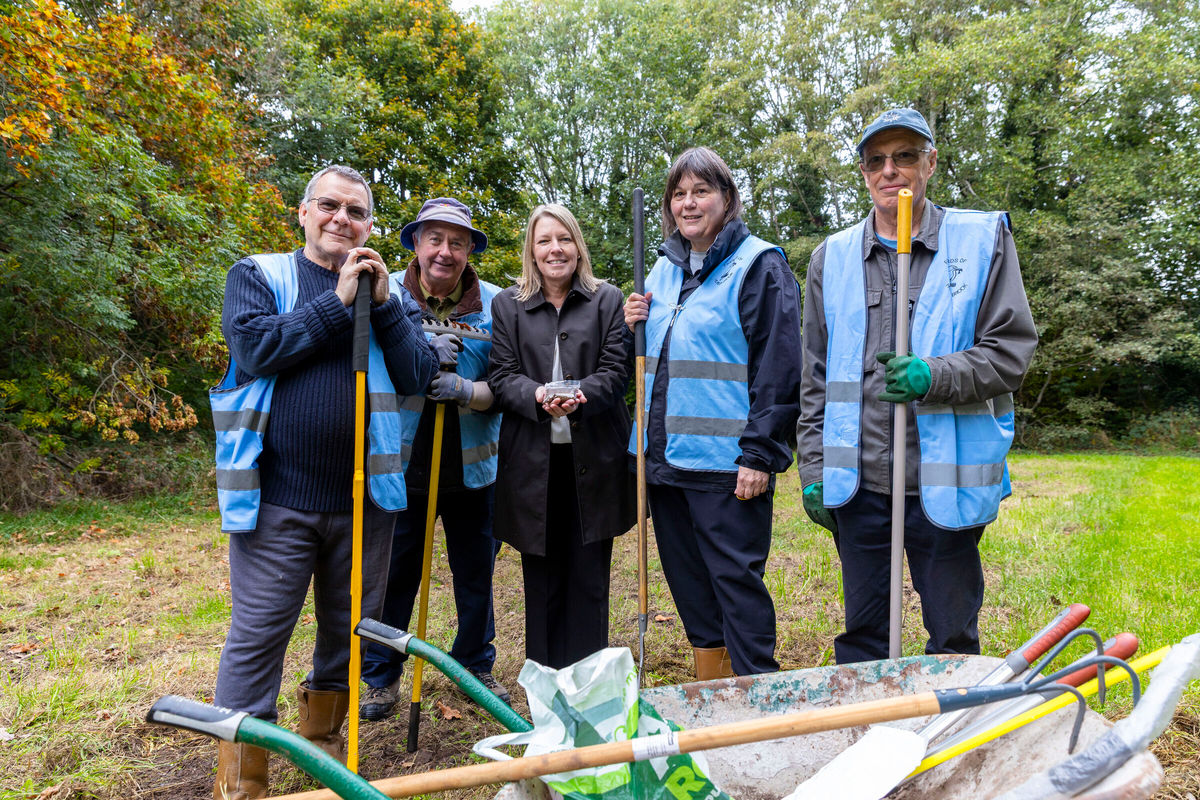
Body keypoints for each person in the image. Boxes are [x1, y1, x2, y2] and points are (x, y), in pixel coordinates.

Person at [210, 165, 440, 799]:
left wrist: (386, 306)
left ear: (371, 227)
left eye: (357, 212)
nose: (343, 219)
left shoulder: (390, 293)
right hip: (276, 498)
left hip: (367, 502)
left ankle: (325, 754)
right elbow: (258, 350)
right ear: (304, 214)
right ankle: (243, 777)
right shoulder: (258, 275)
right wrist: (338, 303)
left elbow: (420, 375)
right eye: (331, 206)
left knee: (347, 631)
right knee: (259, 635)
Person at [797, 107, 1038, 664]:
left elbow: (1010, 353)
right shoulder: (830, 259)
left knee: (951, 639)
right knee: (863, 637)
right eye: (877, 160)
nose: (891, 171)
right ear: (863, 173)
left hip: (944, 482)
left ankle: (949, 744)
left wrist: (935, 375)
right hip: (859, 482)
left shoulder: (980, 241)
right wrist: (813, 470)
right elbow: (814, 378)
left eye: (905, 156)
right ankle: (865, 736)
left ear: (930, 163)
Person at [623, 147, 802, 679]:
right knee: (690, 587)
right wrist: (635, 318)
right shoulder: (663, 268)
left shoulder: (759, 265)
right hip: (665, 463)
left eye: (701, 191)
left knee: (735, 585)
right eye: (678, 194)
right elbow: (654, 359)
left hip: (727, 467)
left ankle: (755, 699)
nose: (688, 203)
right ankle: (714, 685)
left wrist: (760, 454)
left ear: (727, 199)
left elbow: (781, 366)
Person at [359, 197, 510, 720]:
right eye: (435, 239)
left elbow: (509, 383)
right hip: (402, 467)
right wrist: (420, 360)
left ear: (470, 250)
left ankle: (475, 667)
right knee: (395, 576)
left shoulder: (498, 304)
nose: (445, 252)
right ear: (416, 244)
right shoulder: (385, 298)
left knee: (476, 577)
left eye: (458, 242)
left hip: (473, 467)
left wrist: (466, 389)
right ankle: (379, 676)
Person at [488, 204, 635, 669]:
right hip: (534, 467)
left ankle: (590, 681)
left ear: (578, 246)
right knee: (542, 581)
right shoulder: (507, 305)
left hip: (595, 462)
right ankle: (547, 687)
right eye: (545, 240)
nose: (555, 249)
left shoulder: (607, 300)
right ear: (532, 250)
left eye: (564, 239)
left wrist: (580, 395)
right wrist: (536, 395)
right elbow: (502, 376)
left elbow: (616, 372)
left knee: (590, 580)